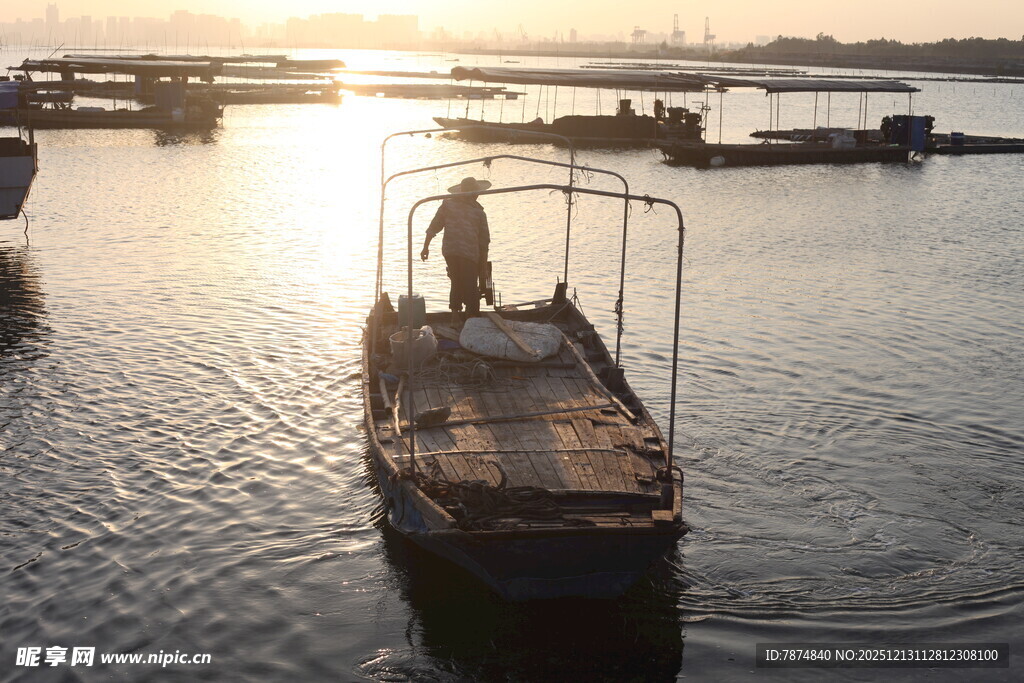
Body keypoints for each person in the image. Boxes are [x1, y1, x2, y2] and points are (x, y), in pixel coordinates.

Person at [420, 177, 491, 317]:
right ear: (475, 193)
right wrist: (482, 267)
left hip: (450, 251)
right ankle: (470, 316)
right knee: (470, 285)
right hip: (468, 253)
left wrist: (425, 247)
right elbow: (484, 242)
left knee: (456, 281)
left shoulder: (447, 205)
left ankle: (455, 316)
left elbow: (434, 227)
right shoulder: (479, 213)